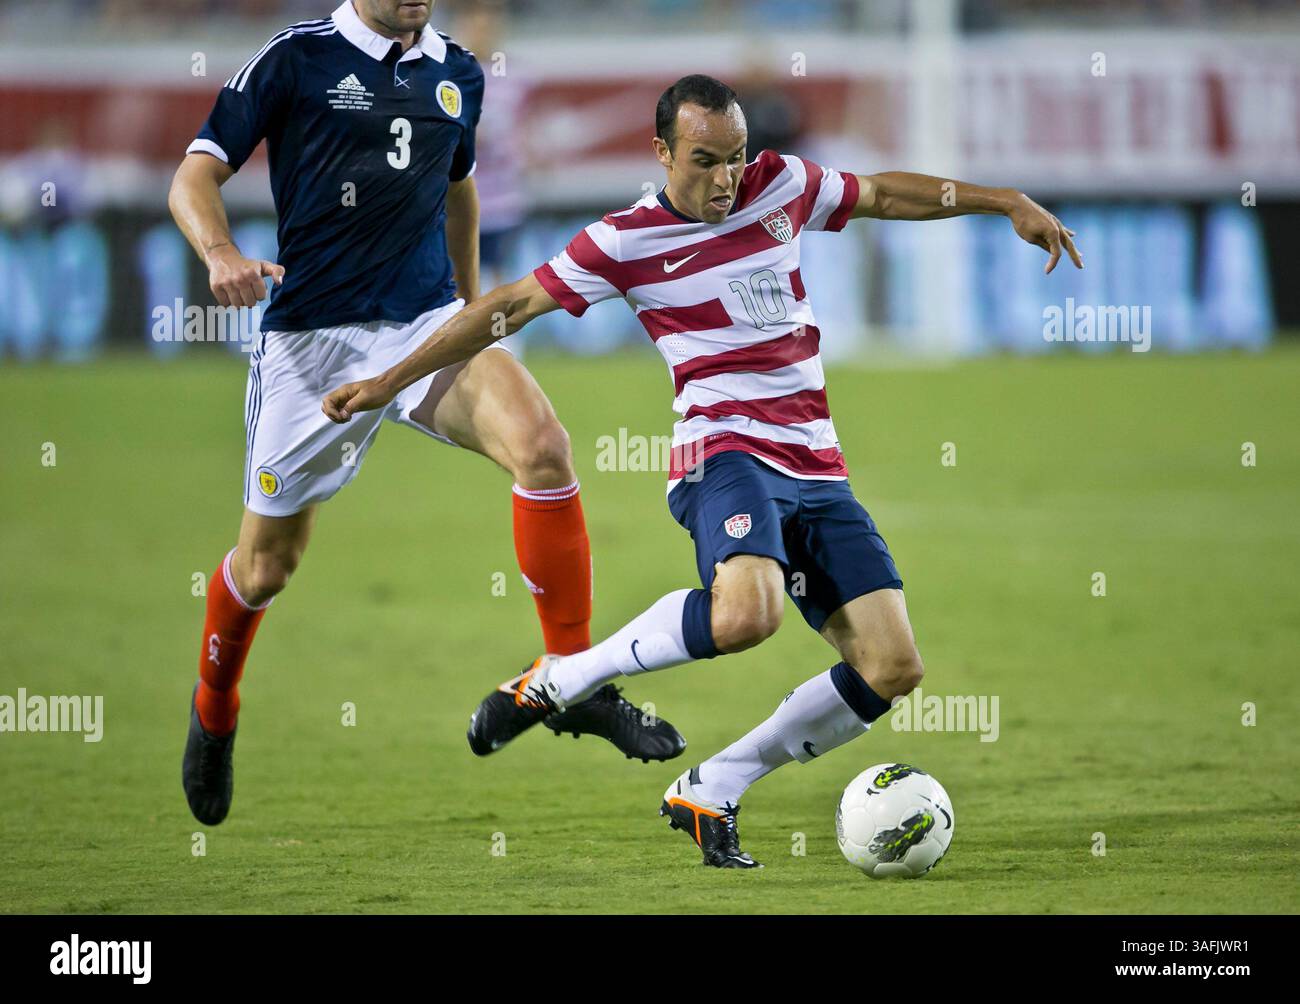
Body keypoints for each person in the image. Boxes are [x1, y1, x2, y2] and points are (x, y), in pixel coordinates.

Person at [320, 74, 1082, 866]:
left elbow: (885, 194)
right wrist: (386, 383)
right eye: (705, 160)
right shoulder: (622, 241)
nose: (726, 180)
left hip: (816, 464)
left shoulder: (780, 186)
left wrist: (1003, 200)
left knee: (892, 667)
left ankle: (712, 785)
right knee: (748, 614)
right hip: (723, 450)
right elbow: (504, 307)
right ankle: (564, 679)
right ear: (662, 153)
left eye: (736, 158)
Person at [169, 0, 685, 827]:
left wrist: (471, 318)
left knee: (544, 446)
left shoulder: (458, 71)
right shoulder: (295, 58)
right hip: (311, 343)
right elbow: (193, 175)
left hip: (421, 323)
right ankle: (216, 705)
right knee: (267, 566)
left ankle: (570, 673)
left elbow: (459, 194)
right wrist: (221, 252)